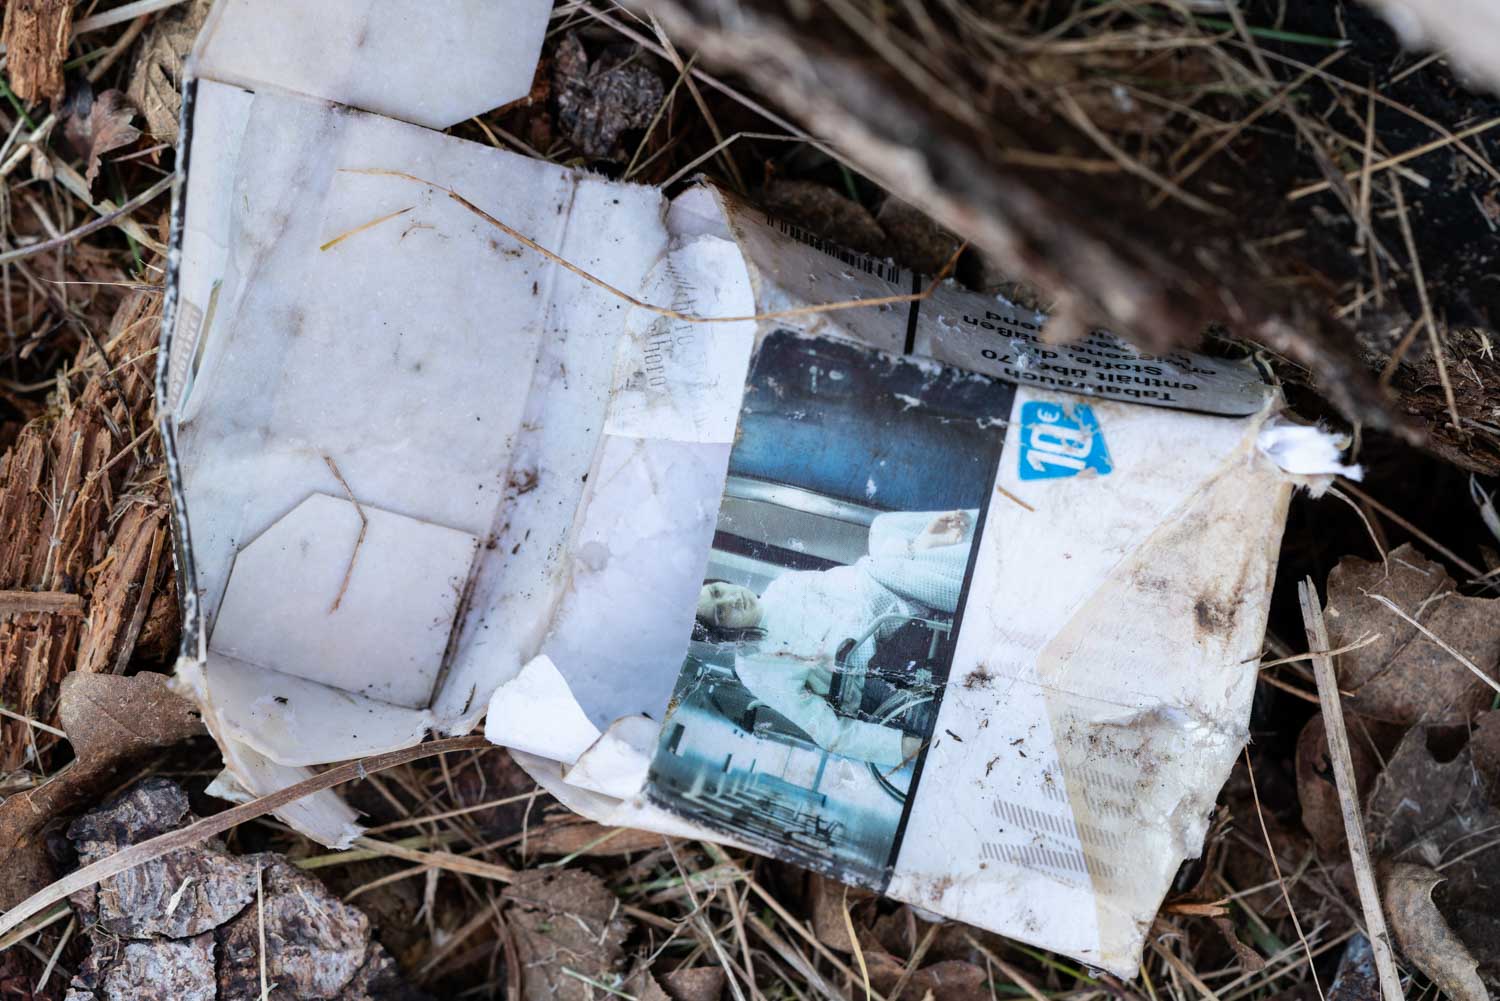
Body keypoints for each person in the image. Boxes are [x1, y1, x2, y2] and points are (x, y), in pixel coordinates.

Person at [695, 509, 977, 768]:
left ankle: (934, 553)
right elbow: (828, 731)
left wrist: (906, 551)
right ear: (723, 635)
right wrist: (902, 747)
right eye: (721, 613)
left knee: (883, 529)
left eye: (720, 591)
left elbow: (856, 581)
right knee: (887, 558)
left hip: (883, 605)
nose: (732, 599)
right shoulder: (754, 665)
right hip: (867, 662)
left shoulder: (783, 587)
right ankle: (965, 569)